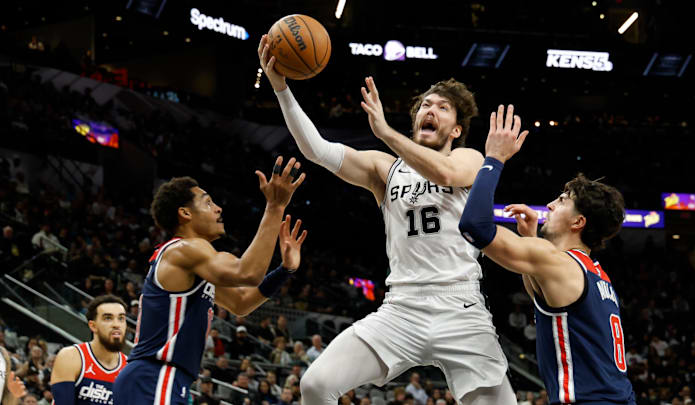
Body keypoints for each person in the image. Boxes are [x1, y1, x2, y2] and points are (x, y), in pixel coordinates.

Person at [259, 36, 513, 404]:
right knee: (315, 385)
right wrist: (281, 88)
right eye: (425, 105)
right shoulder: (384, 167)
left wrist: (385, 133)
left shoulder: (469, 159)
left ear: (456, 129)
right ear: (414, 121)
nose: (431, 109)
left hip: (461, 309)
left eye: (443, 107)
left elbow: (443, 173)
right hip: (402, 309)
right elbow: (317, 149)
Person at [458, 105, 636, 404]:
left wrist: (494, 158)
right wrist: (529, 238)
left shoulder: (558, 262)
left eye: (563, 201)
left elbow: (474, 226)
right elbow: (542, 291)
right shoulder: (596, 274)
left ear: (579, 222)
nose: (551, 205)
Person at [114, 157, 308, 405]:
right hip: (156, 377)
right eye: (208, 202)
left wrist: (285, 270)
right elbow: (248, 272)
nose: (218, 208)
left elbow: (241, 303)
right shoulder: (184, 250)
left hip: (162, 379)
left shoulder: (195, 264)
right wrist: (275, 206)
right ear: (185, 213)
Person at [49, 295, 128, 405]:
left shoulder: (130, 368)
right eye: (108, 318)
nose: (116, 324)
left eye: (121, 318)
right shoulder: (71, 357)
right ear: (93, 326)